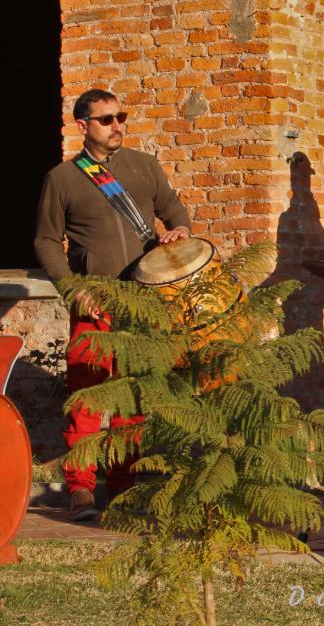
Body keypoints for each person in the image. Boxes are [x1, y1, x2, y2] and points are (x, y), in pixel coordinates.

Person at [34, 88, 192, 521]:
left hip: (142, 303)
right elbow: (47, 241)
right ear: (82, 126)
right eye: (106, 119)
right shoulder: (62, 179)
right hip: (94, 303)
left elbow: (175, 211)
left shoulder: (144, 167)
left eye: (120, 116)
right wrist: (71, 288)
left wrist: (178, 230)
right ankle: (81, 490)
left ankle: (123, 489)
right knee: (86, 400)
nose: (117, 125)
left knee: (131, 403)